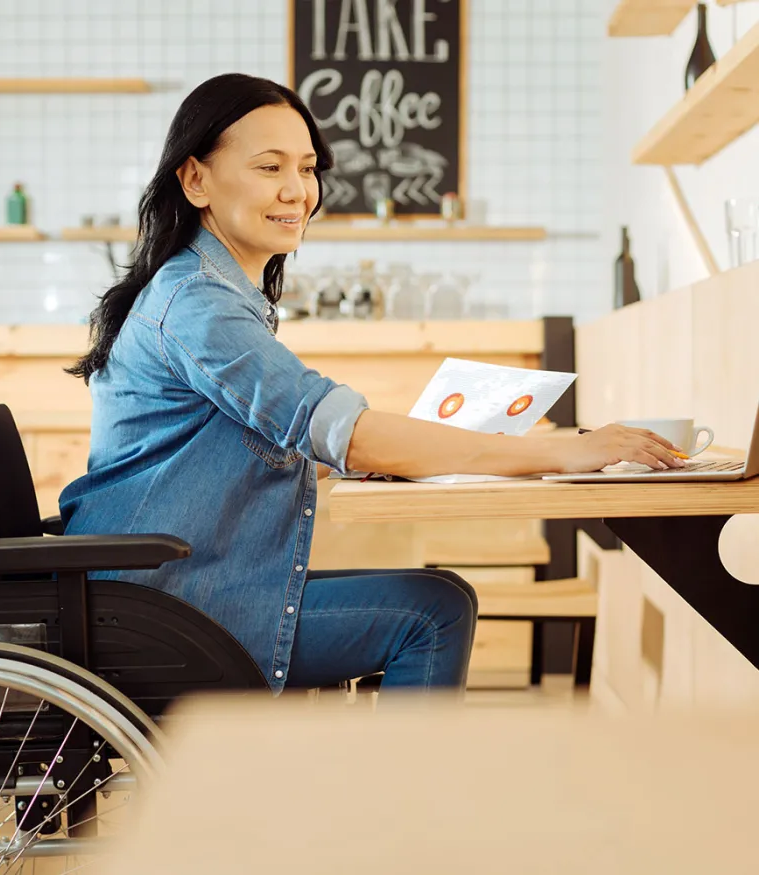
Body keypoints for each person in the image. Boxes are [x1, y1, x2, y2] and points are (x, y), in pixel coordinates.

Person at [60, 73, 683, 698]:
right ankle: (398, 798)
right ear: (195, 179)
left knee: (435, 598)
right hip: (160, 609)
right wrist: (564, 452)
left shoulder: (206, 292)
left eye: (307, 169)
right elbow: (341, 432)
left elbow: (249, 448)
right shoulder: (200, 304)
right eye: (269, 167)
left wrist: (388, 453)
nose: (296, 191)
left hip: (167, 592)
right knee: (431, 611)